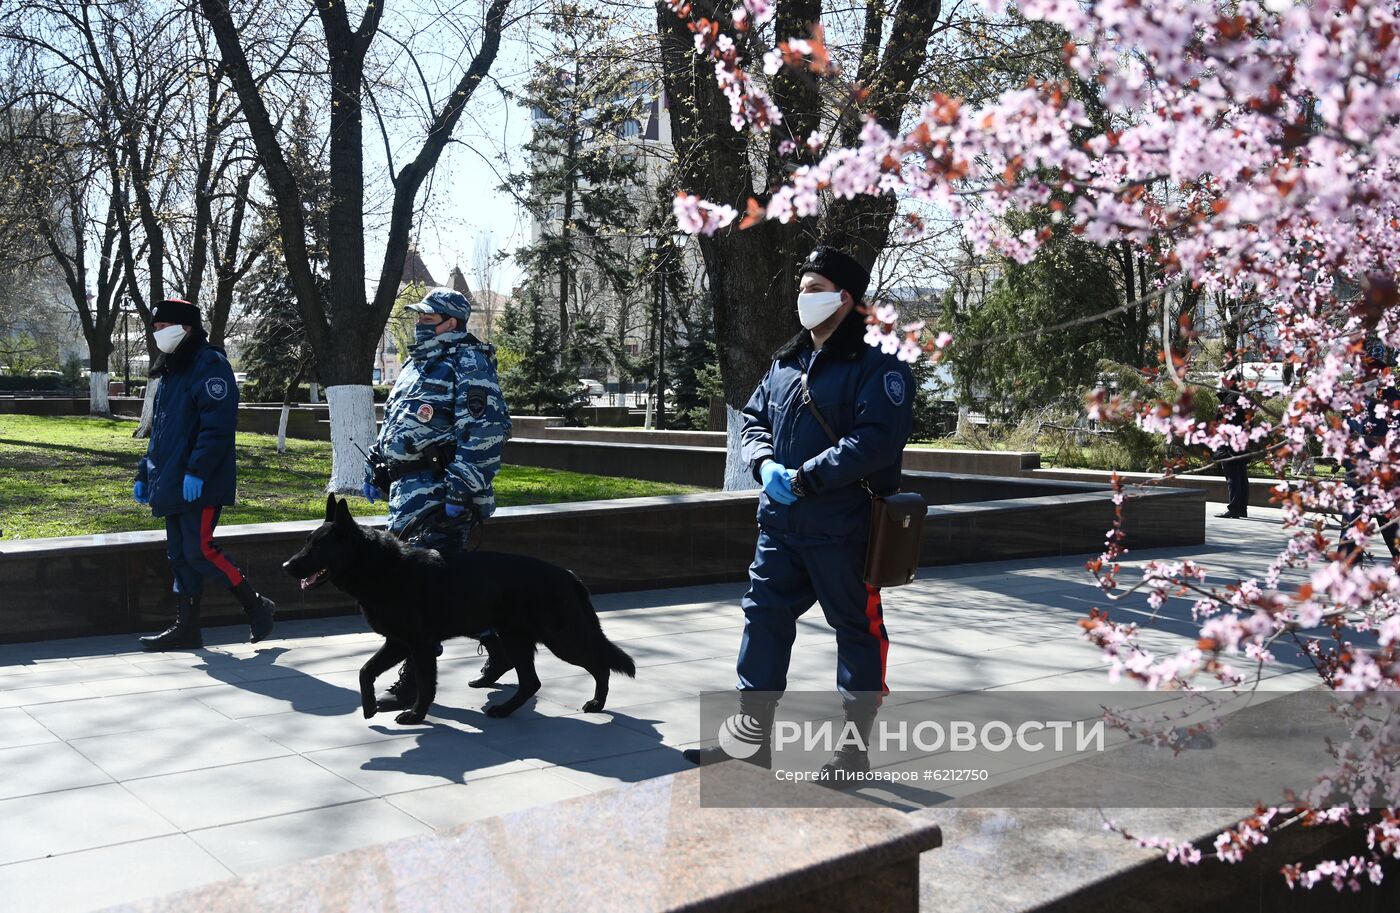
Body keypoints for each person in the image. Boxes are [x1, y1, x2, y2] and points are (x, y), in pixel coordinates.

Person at [684, 246, 914, 784]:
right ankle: (749, 744)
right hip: (781, 524)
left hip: (844, 528)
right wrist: (764, 467)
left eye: (814, 289)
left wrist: (806, 476)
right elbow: (755, 421)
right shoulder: (786, 362)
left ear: (846, 298)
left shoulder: (879, 363)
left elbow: (876, 441)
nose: (802, 299)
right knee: (763, 621)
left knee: (857, 631)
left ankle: (853, 755)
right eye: (802, 289)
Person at [363, 287, 512, 711]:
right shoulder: (417, 364)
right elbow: (397, 419)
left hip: (441, 494)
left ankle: (414, 684)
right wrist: (378, 462)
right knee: (447, 594)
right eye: (419, 316)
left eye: (429, 318)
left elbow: (484, 433)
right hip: (406, 495)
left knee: (419, 598)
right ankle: (500, 646)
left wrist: (460, 491)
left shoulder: (468, 362)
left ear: (452, 322)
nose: (420, 323)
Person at [134, 298, 276, 651]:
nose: (156, 334)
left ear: (186, 327)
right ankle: (188, 628)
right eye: (154, 328)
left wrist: (197, 471)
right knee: (180, 554)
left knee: (200, 550)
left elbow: (218, 425)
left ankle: (256, 605)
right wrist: (143, 473)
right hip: (170, 480)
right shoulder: (172, 367)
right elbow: (162, 432)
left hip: (200, 482)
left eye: (161, 326)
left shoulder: (208, 363)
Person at [1338, 340, 1400, 564]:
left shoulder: (1394, 401)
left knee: (1390, 520)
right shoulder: (1354, 400)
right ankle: (1347, 563)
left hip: (1384, 473)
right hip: (1357, 471)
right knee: (1353, 517)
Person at [1214, 384, 1251, 519]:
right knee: (1241, 475)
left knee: (1233, 477)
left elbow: (1226, 423)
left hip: (1229, 445)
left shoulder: (1230, 400)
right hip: (1241, 443)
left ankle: (1234, 508)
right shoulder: (1242, 398)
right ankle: (1241, 508)